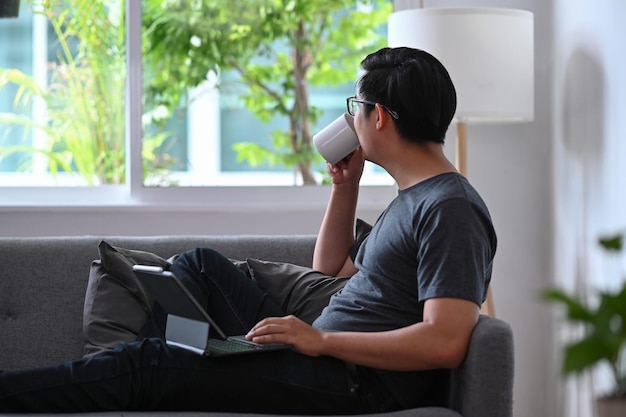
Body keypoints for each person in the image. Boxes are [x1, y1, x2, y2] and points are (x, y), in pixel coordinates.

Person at [0, 46, 496, 413]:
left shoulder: (450, 208)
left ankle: (149, 372)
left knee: (150, 362)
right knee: (199, 266)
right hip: (324, 355)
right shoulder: (412, 198)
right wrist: (345, 186)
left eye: (354, 106)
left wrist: (321, 343)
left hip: (351, 382)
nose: (350, 118)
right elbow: (330, 268)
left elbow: (444, 341)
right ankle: (182, 363)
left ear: (379, 117)